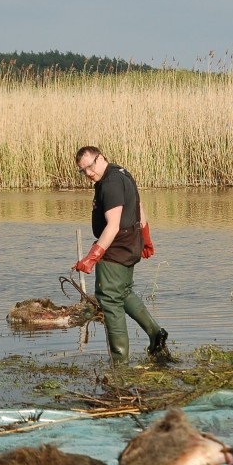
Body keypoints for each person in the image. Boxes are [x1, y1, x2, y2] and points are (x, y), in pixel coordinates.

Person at [72, 146, 170, 364]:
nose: (88, 173)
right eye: (83, 170)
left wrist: (91, 257)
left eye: (90, 166)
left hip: (114, 249)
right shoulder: (121, 173)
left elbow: (113, 226)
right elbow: (139, 206)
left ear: (101, 158)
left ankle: (119, 363)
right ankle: (156, 334)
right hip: (131, 243)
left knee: (109, 299)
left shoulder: (110, 184)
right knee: (124, 292)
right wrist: (145, 236)